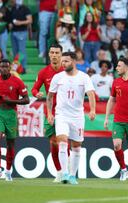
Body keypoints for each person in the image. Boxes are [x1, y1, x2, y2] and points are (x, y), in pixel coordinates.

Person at [47, 52, 96, 184]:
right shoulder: (57, 77)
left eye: (66, 61)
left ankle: (73, 176)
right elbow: (50, 96)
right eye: (63, 61)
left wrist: (92, 110)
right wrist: (50, 113)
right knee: (62, 141)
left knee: (76, 146)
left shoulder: (84, 77)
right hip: (61, 114)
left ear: (74, 61)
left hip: (77, 116)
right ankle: (64, 173)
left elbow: (90, 94)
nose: (63, 63)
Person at [0, 59, 30, 181]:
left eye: (6, 67)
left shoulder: (17, 81)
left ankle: (8, 171)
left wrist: (11, 101)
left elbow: (26, 99)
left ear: (10, 67)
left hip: (11, 114)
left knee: (10, 143)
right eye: (2, 67)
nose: (4, 69)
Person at [31, 44, 64, 182]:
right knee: (54, 142)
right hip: (51, 112)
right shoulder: (43, 72)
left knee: (64, 141)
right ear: (49, 54)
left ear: (61, 54)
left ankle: (67, 170)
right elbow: (33, 89)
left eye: (57, 52)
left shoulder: (67, 71)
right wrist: (36, 93)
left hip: (66, 112)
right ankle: (60, 172)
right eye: (52, 52)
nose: (54, 55)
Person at [9, 0, 32, 73]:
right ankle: (16, 68)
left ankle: (23, 68)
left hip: (22, 32)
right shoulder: (13, 8)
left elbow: (30, 20)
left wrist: (20, 23)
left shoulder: (25, 8)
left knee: (21, 51)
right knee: (15, 51)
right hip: (13, 32)